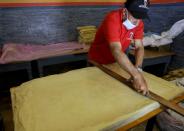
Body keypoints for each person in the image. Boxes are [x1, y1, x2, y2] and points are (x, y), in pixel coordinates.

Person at [88, 0, 150, 95]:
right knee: (96, 91)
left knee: (113, 91)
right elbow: (116, 49)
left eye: (140, 18)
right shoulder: (112, 18)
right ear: (125, 11)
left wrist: (138, 69)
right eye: (134, 16)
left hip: (116, 62)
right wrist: (136, 76)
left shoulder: (139, 23)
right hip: (97, 62)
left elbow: (139, 47)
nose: (137, 22)